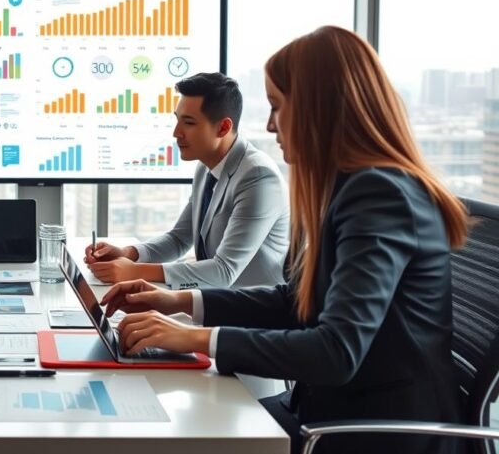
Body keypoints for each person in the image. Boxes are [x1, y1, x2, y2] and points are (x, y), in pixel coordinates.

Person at [101, 26, 466, 454]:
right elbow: (297, 302)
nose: (271, 125)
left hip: (374, 432)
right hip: (329, 411)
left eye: (277, 106)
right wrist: (177, 302)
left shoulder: (379, 196)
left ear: (319, 109)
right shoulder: (354, 188)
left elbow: (337, 351)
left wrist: (192, 338)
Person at [86, 72, 288, 289]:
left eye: (189, 123)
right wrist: (129, 254)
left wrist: (135, 271)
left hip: (255, 317)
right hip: (214, 303)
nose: (177, 133)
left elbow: (224, 271)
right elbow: (179, 239)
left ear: (223, 128)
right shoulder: (206, 167)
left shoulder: (257, 176)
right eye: (177, 120)